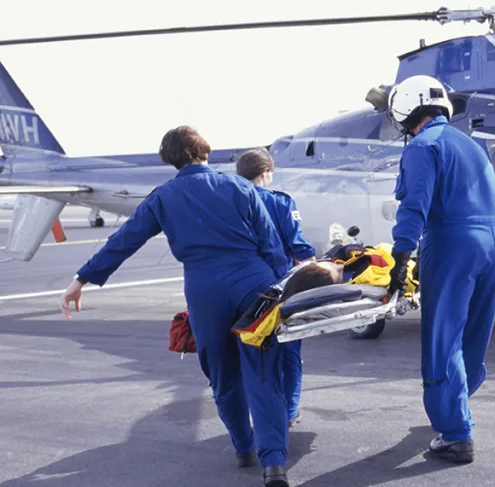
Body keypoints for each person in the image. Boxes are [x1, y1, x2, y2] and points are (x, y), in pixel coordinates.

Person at [59, 126, 294, 487]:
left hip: (205, 288)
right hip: (254, 282)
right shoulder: (241, 186)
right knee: (263, 370)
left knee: (222, 373)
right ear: (203, 151)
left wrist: (83, 278)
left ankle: (244, 447)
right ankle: (274, 463)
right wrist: (281, 292)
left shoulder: (163, 196)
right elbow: (272, 245)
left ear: (170, 158)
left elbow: (124, 240)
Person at [385, 75, 495, 464]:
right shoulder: (471, 144)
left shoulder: (423, 146)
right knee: (474, 333)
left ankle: (455, 433)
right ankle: (456, 406)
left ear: (405, 110)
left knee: (444, 337)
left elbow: (414, 206)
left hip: (455, 242)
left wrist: (402, 255)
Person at [236, 148, 316, 427]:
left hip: (240, 287)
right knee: (290, 351)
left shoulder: (230, 202)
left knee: (253, 355)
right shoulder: (280, 202)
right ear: (265, 173)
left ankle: (259, 412)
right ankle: (289, 411)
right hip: (279, 287)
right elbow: (299, 247)